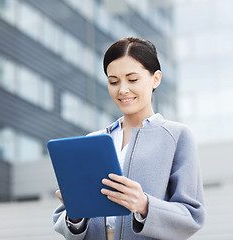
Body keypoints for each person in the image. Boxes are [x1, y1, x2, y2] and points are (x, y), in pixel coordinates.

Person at [53, 37, 206, 240]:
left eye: (132, 79)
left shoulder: (177, 137)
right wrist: (75, 215)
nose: (122, 89)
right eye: (113, 81)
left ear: (156, 79)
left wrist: (144, 205)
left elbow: (192, 217)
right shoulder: (93, 140)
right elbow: (69, 227)